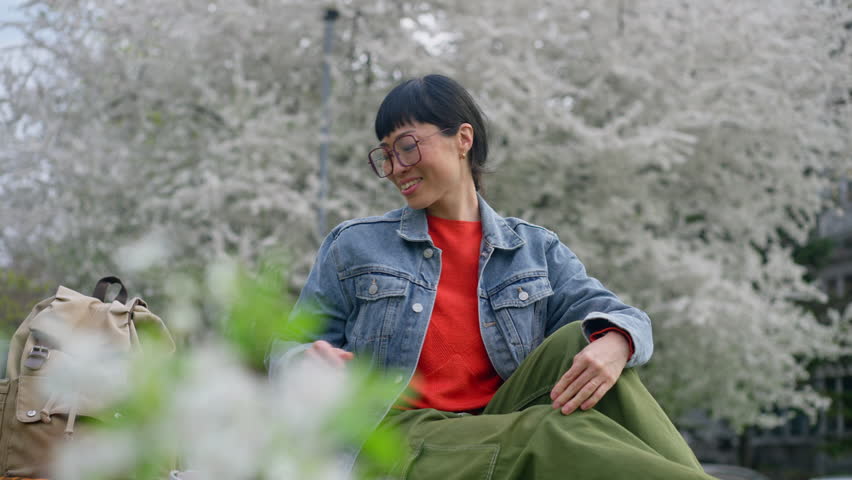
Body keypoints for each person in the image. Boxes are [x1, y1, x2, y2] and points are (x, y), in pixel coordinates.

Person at [272, 74, 715, 479]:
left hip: (497, 422)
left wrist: (618, 341)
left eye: (406, 147)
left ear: (462, 138)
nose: (396, 167)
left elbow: (623, 315)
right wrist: (306, 361)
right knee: (547, 432)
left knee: (588, 339)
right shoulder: (356, 245)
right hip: (398, 435)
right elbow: (286, 347)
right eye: (385, 156)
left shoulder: (533, 248)